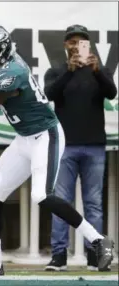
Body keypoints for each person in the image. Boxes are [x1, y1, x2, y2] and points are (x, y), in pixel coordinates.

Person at [0, 24, 114, 275]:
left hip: (45, 136)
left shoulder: (13, 72)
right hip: (24, 138)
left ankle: (98, 239)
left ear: (4, 51)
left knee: (41, 195)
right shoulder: (5, 63)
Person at [44, 24, 117, 271]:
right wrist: (69, 71)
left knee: (93, 203)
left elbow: (112, 93)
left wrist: (97, 72)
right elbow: (50, 94)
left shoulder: (100, 70)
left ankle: (95, 255)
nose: (76, 46)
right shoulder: (55, 71)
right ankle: (59, 256)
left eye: (81, 42)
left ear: (88, 45)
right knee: (61, 202)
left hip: (94, 146)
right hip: (65, 147)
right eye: (72, 41)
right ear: (65, 45)